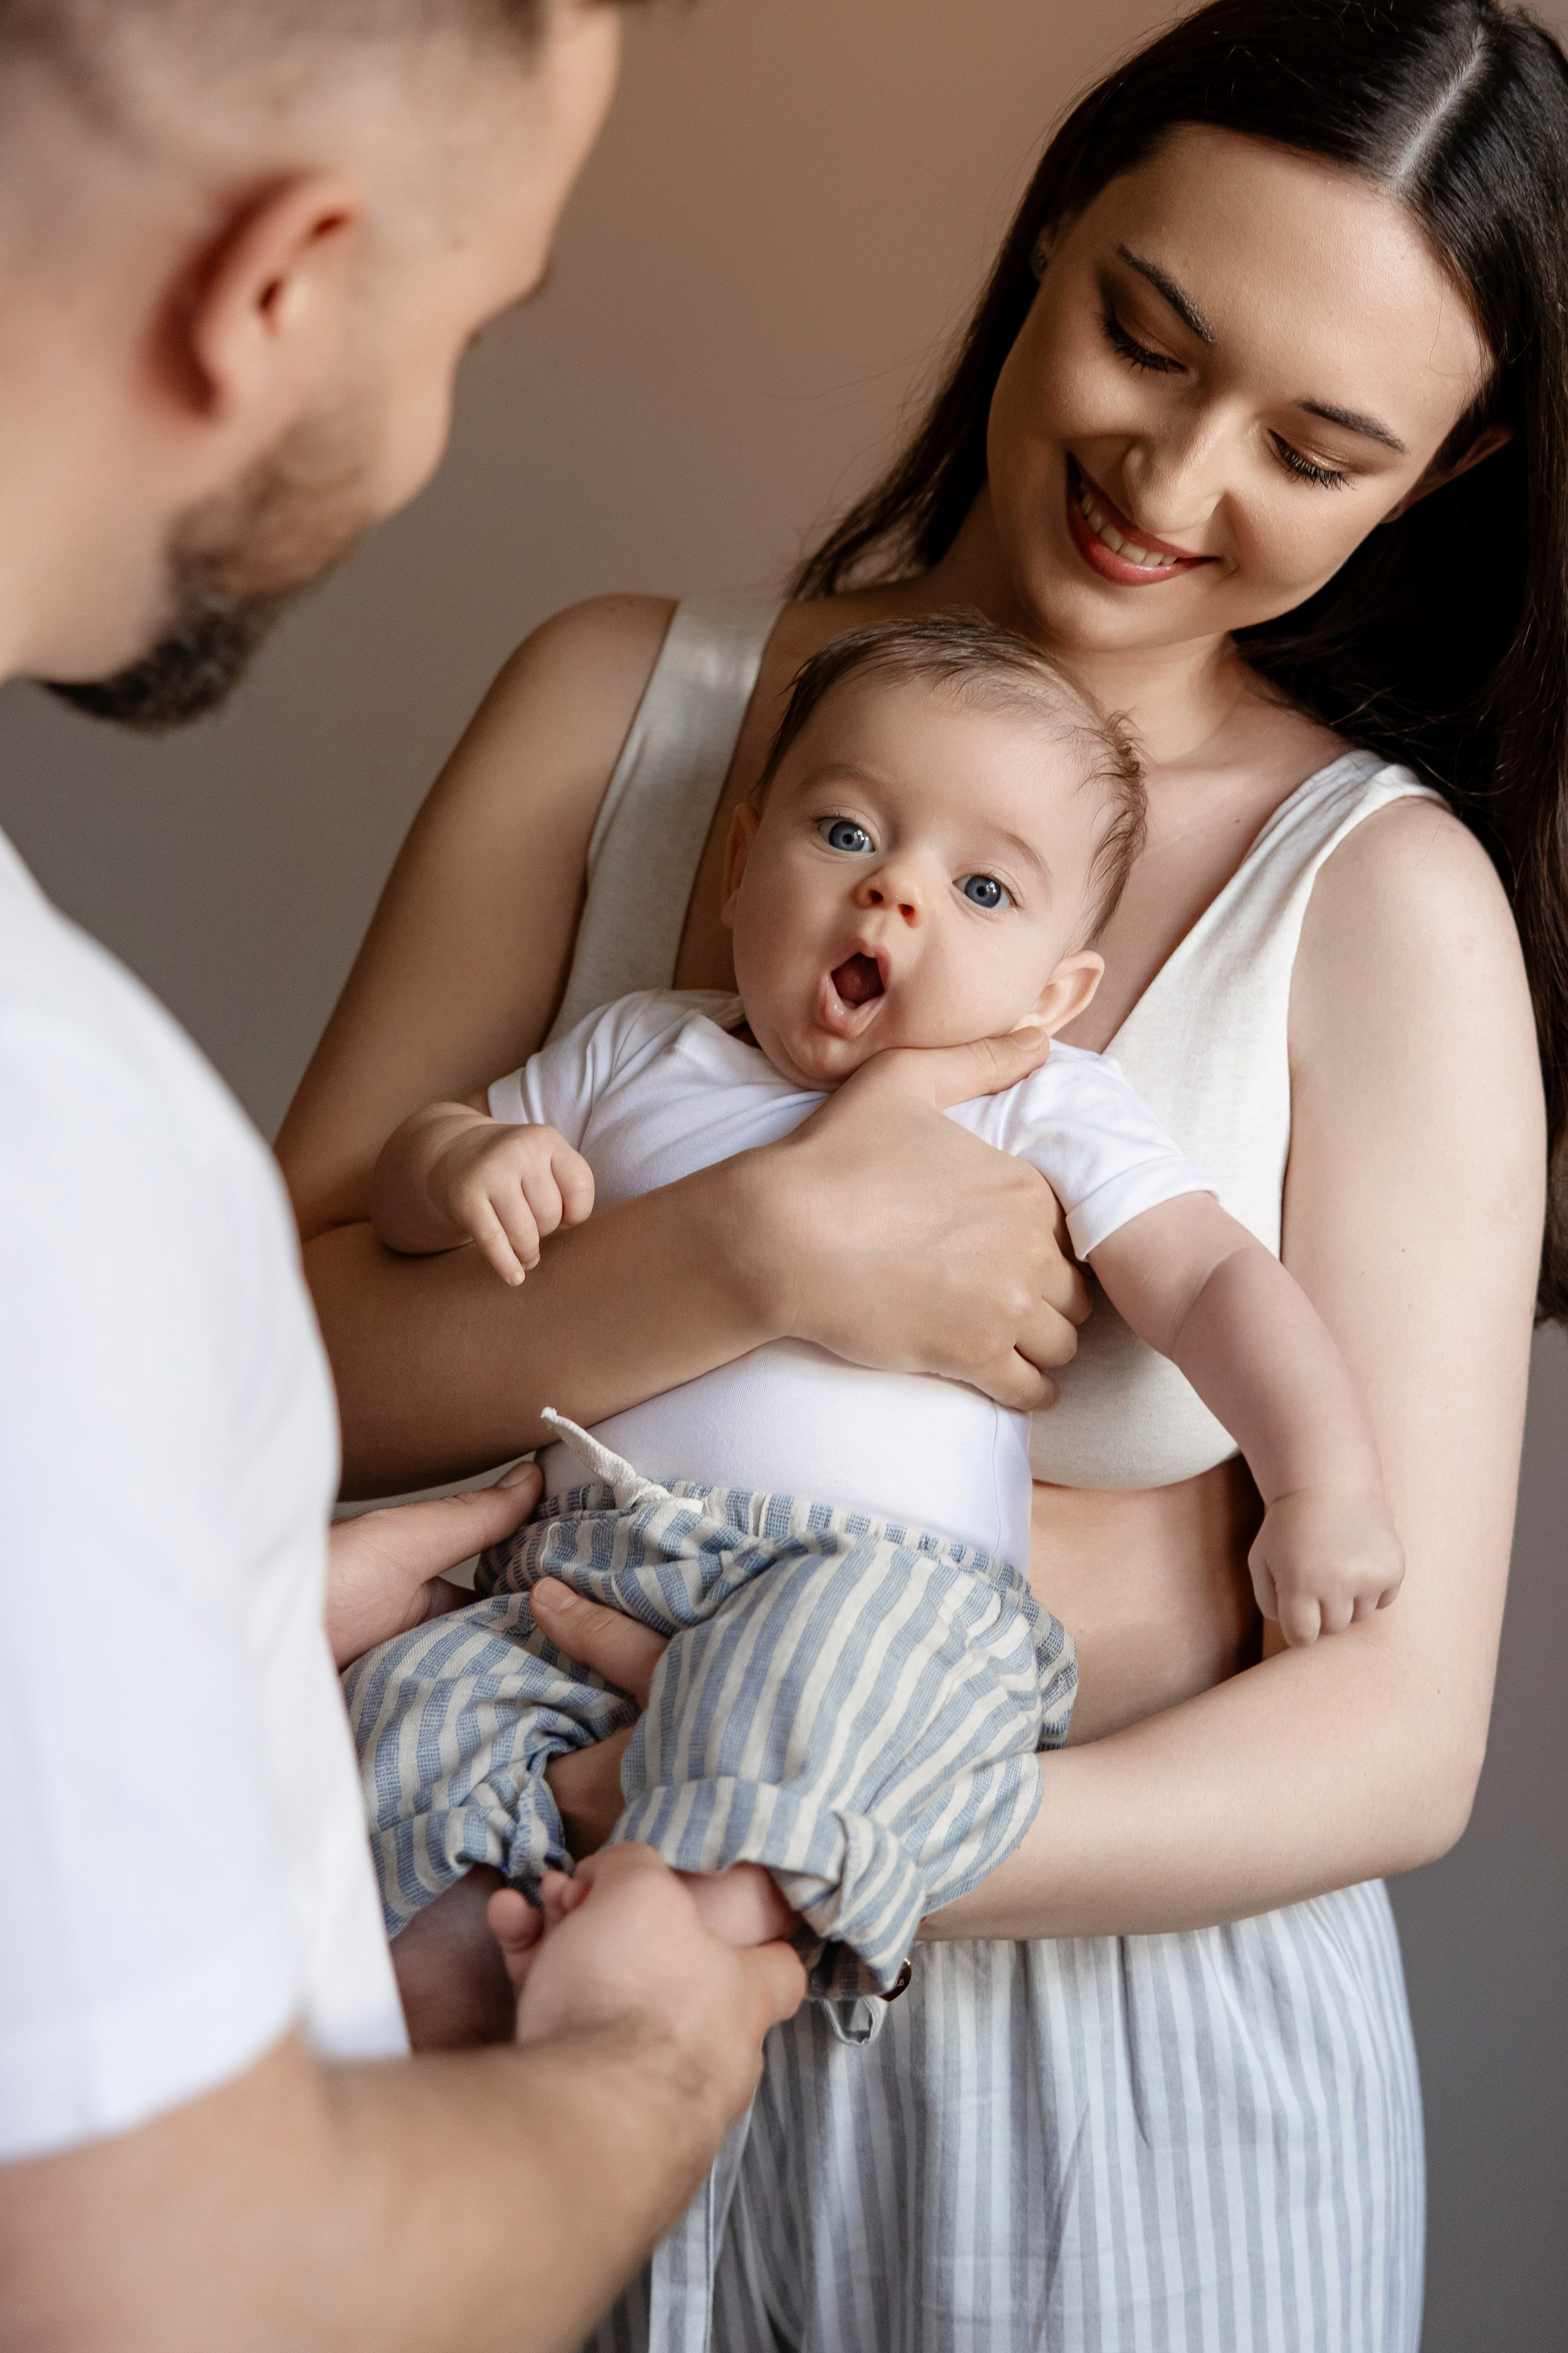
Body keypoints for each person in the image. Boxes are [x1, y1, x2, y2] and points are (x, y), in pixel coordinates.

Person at [279, 0, 1563, 2343]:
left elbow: (1393, 1733)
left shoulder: (1378, 908)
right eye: (1144, 335)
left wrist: (759, 1849)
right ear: (1051, 229)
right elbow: (268, 1365)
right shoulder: (624, 714)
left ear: (1443, 476)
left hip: (1107, 2114)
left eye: (1318, 443)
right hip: (483, 2009)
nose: (1172, 477)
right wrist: (760, 1252)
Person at [0, 6, 807, 2351]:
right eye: (476, 322)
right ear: (285, 281)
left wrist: (233, 1678)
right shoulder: (58, 1140)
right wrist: (651, 2067)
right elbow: (188, 2297)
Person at [350, 615, 1406, 2046]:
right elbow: (413, 1180)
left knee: (818, 1699)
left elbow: (1214, 1283)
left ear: (1052, 993)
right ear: (739, 865)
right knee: (404, 1710)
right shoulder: (634, 1051)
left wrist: (1319, 1482)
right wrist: (457, 1165)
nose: (894, 895)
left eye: (979, 886)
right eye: (845, 832)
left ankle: (678, 1950)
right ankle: (445, 1978)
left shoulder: (1036, 1102)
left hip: (877, 1583)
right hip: (579, 1562)